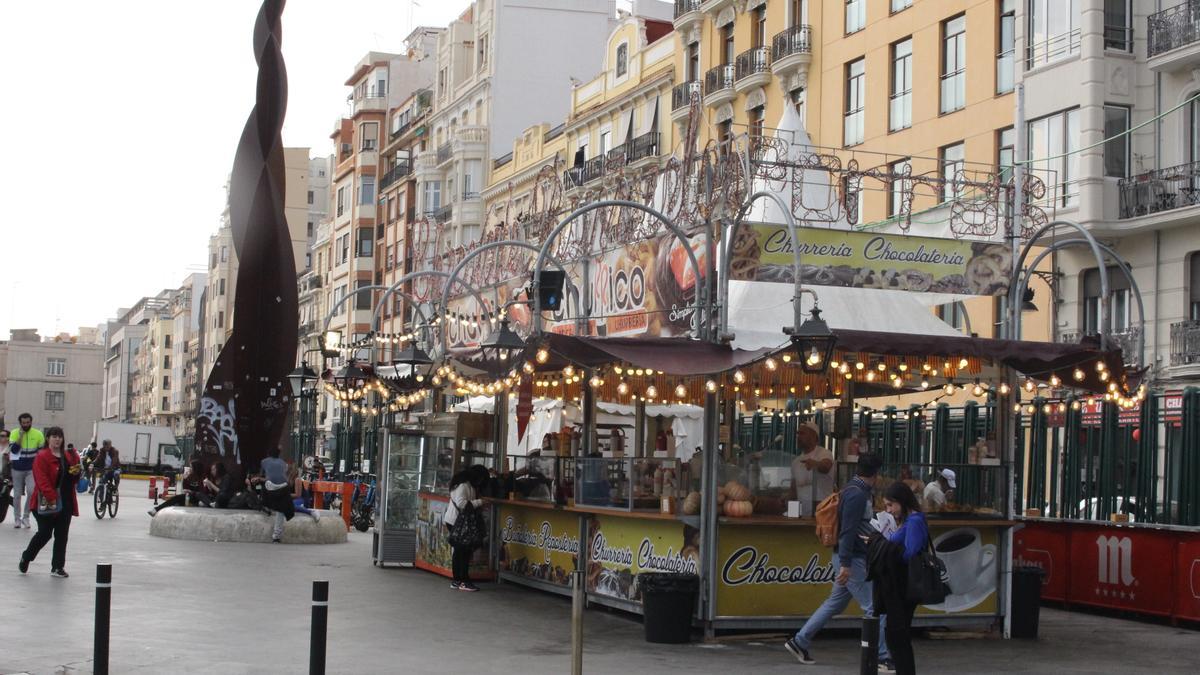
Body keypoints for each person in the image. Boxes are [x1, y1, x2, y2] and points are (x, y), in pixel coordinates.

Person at [786, 452, 889, 666]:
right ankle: (880, 656)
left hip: (850, 558)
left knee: (834, 604)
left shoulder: (853, 489)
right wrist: (845, 564)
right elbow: (848, 530)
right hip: (854, 559)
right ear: (875, 473)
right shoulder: (858, 495)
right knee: (874, 607)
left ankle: (800, 641)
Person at [867, 481, 930, 675]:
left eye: (890, 505)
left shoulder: (915, 521)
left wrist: (883, 545)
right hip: (898, 584)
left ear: (901, 502)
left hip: (904, 585)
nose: (889, 510)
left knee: (898, 634)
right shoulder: (908, 521)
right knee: (895, 634)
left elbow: (910, 553)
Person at [18, 427, 80, 578]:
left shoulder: (67, 456)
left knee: (62, 535)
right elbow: (41, 480)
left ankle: (57, 567)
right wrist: (52, 498)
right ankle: (27, 557)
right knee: (45, 533)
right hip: (45, 501)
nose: (57, 439)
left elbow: (73, 479)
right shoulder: (42, 456)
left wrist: (76, 472)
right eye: (54, 436)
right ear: (48, 439)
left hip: (65, 501)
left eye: (59, 436)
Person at [444, 464, 488, 592]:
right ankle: (463, 580)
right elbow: (462, 504)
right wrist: (480, 502)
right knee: (463, 552)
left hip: (455, 521)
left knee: (460, 552)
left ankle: (458, 580)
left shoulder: (464, 484)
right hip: (457, 522)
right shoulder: (464, 486)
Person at [9, 413, 45, 529]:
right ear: (20, 423)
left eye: (28, 422)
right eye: (23, 423)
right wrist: (20, 437)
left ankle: (26, 517)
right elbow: (13, 451)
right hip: (17, 468)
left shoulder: (38, 434)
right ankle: (17, 519)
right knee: (17, 495)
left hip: (31, 469)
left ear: (31, 422)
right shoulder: (14, 433)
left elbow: (41, 452)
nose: (26, 425)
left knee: (31, 491)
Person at [790, 422, 834, 515]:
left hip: (822, 512)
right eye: (798, 434)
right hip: (802, 514)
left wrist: (816, 464)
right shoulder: (796, 462)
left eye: (802, 433)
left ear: (814, 436)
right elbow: (793, 491)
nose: (798, 437)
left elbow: (826, 467)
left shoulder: (824, 453)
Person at [148, 460, 214, 515]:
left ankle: (210, 504)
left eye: (191, 467)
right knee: (176, 498)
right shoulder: (189, 477)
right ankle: (156, 509)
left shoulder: (203, 478)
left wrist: (192, 491)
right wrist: (184, 480)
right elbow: (185, 489)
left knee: (196, 495)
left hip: (199, 498)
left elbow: (202, 492)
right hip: (189, 496)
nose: (190, 469)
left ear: (195, 468)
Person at [259, 447, 295, 542]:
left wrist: (258, 479)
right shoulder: (284, 463)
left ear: (268, 454)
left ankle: (265, 505)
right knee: (281, 510)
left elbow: (265, 477)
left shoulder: (264, 461)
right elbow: (285, 477)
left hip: (270, 487)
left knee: (265, 485)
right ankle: (276, 536)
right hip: (283, 487)